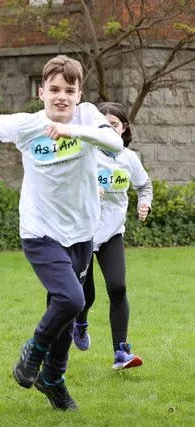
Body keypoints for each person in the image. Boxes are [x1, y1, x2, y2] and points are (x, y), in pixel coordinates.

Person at [0, 55, 124, 411]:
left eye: (69, 90)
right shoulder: (27, 125)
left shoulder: (87, 117)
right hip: (41, 231)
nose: (62, 96)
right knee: (73, 299)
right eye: (54, 89)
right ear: (41, 92)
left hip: (83, 232)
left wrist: (73, 131)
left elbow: (115, 144)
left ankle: (53, 378)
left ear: (78, 94)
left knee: (64, 307)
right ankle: (32, 352)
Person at [71, 102, 153, 370]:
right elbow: (65, 181)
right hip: (82, 232)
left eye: (113, 126)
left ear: (123, 128)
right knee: (86, 296)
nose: (107, 131)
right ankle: (80, 324)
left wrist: (145, 203)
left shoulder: (129, 159)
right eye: (102, 126)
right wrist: (88, 187)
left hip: (111, 233)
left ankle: (121, 352)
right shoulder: (85, 153)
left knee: (118, 287)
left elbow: (144, 185)